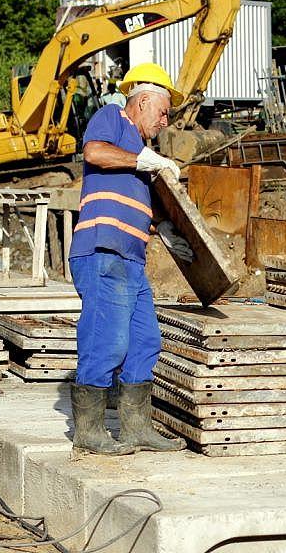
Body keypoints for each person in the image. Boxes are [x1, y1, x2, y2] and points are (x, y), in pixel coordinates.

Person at [68, 62, 193, 455]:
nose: (165, 120)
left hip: (130, 260)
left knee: (144, 342)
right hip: (103, 252)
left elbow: (137, 205)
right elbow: (94, 152)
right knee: (108, 341)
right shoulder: (113, 119)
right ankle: (88, 433)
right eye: (163, 111)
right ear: (141, 101)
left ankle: (136, 427)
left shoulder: (140, 154)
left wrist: (166, 229)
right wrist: (146, 161)